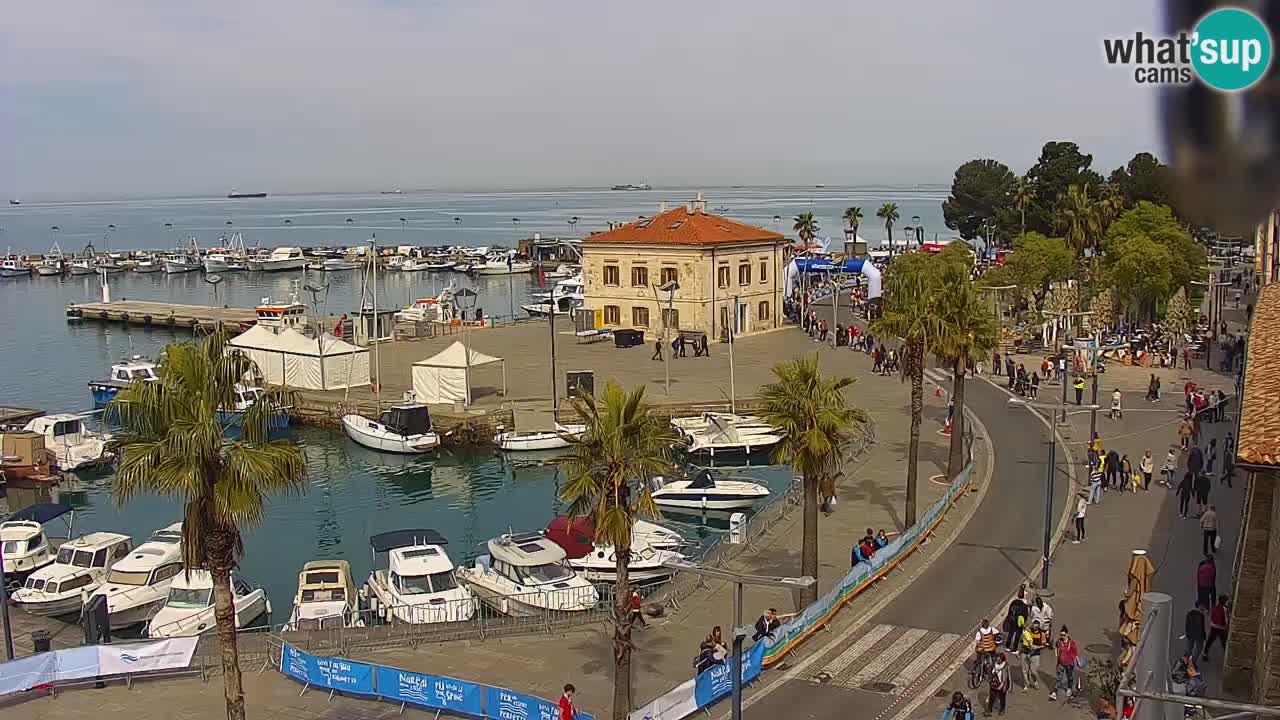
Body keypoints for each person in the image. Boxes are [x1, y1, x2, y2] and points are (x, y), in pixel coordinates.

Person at [1049, 626, 1078, 702]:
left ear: (1067, 634)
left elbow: (1075, 653)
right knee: (1059, 678)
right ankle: (1054, 692)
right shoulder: (1059, 642)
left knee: (1069, 677)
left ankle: (1069, 688)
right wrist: (1056, 654)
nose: (1062, 636)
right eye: (1061, 635)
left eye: (1064, 635)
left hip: (1069, 663)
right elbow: (1056, 647)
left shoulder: (1072, 643)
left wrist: (1078, 661)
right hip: (1060, 663)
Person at [1020, 620, 1049, 691]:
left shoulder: (1042, 634)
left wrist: (1037, 647)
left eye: (1036, 626)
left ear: (1038, 626)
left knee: (1033, 671)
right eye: (1034, 625)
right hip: (1025, 652)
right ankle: (1026, 685)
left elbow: (1044, 645)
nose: (1034, 627)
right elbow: (1022, 641)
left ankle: (1035, 681)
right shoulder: (1027, 631)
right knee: (1025, 670)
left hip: (1035, 654)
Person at [1002, 587, 1029, 652]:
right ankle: (1014, 648)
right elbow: (1025, 616)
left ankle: (1007, 646)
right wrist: (1023, 623)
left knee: (1011, 633)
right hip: (1019, 622)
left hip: (1012, 620)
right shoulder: (1024, 605)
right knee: (1017, 635)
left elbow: (1009, 612)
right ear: (1023, 596)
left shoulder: (1013, 602)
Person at [1204, 596, 1230, 661]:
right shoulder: (1225, 609)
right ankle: (1227, 655)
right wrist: (1227, 627)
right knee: (1224, 642)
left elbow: (1212, 616)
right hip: (1222, 628)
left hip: (1214, 627)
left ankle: (1205, 654)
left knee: (1210, 641)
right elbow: (1226, 619)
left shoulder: (1215, 607)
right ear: (1224, 601)